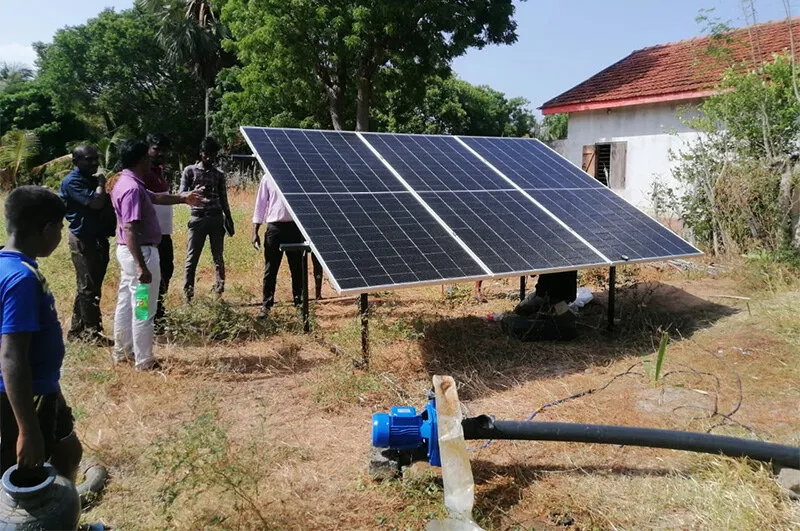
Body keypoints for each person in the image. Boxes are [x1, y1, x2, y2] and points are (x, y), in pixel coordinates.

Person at [0, 186, 82, 480]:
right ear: (47, 229)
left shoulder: (9, 264)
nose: (60, 236)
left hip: (44, 386)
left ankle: (67, 513)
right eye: (60, 228)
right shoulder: (21, 279)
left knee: (68, 451)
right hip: (25, 397)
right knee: (28, 473)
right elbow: (12, 354)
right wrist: (27, 429)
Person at [111, 140, 205, 370]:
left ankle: (122, 351)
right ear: (141, 160)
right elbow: (131, 228)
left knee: (126, 301)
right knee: (143, 305)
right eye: (148, 158)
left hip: (127, 252)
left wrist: (184, 198)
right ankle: (144, 360)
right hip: (140, 254)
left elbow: (155, 197)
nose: (151, 162)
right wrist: (142, 266)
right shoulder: (132, 188)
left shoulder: (126, 182)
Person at [60, 145, 116, 346]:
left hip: (98, 238)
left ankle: (77, 331)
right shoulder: (72, 182)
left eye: (96, 159)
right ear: (75, 162)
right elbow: (95, 203)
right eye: (88, 159)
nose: (94, 163)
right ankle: (92, 333)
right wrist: (101, 184)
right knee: (87, 288)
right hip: (83, 240)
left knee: (89, 287)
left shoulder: (89, 180)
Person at [252, 174, 324, 317]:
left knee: (297, 269)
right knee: (270, 269)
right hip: (274, 228)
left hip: (295, 228)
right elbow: (260, 205)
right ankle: (266, 306)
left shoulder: (297, 176)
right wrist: (255, 231)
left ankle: (299, 305)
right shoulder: (268, 178)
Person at [179, 137, 234, 302]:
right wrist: (192, 192)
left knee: (218, 257)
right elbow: (181, 194)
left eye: (213, 155)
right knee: (191, 259)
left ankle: (219, 293)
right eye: (207, 154)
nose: (210, 158)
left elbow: (224, 199)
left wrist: (229, 219)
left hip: (216, 218)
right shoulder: (190, 171)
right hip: (197, 218)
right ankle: (188, 296)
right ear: (201, 154)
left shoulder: (219, 175)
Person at [143, 133, 174, 330]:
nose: (160, 153)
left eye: (163, 150)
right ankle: (142, 317)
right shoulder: (139, 175)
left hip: (163, 235)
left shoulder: (158, 172)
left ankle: (157, 314)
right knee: (141, 284)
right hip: (145, 240)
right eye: (156, 149)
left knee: (165, 272)